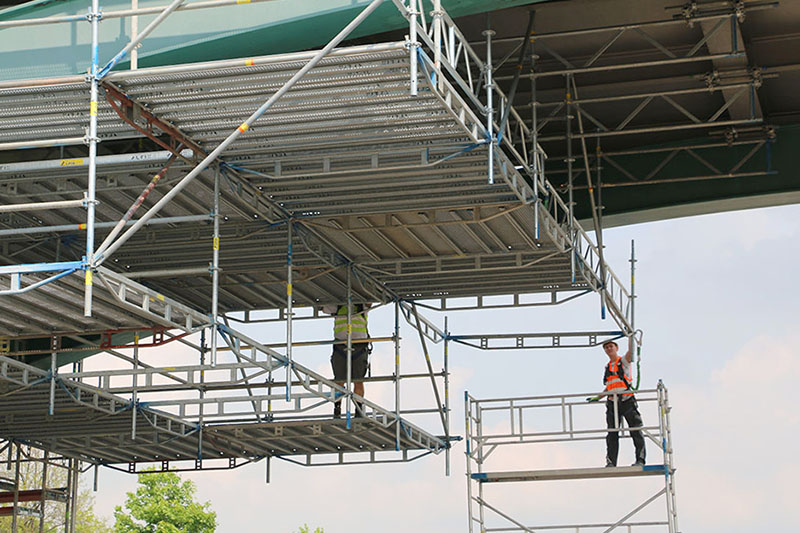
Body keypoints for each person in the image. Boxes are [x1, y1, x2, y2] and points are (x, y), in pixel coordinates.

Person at [321, 302, 372, 419]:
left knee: (358, 380)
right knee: (339, 381)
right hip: (341, 346)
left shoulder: (361, 305)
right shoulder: (338, 305)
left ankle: (358, 409)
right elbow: (322, 307)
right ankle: (337, 408)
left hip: (358, 346)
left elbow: (369, 302)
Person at [601, 338, 646, 467]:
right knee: (612, 433)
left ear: (616, 348)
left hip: (627, 400)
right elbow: (611, 385)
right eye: (607, 347)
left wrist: (631, 337)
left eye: (611, 346)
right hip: (612, 402)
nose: (609, 349)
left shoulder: (623, 362)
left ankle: (640, 459)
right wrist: (599, 396)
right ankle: (611, 462)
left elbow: (630, 353)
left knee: (635, 430)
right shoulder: (607, 367)